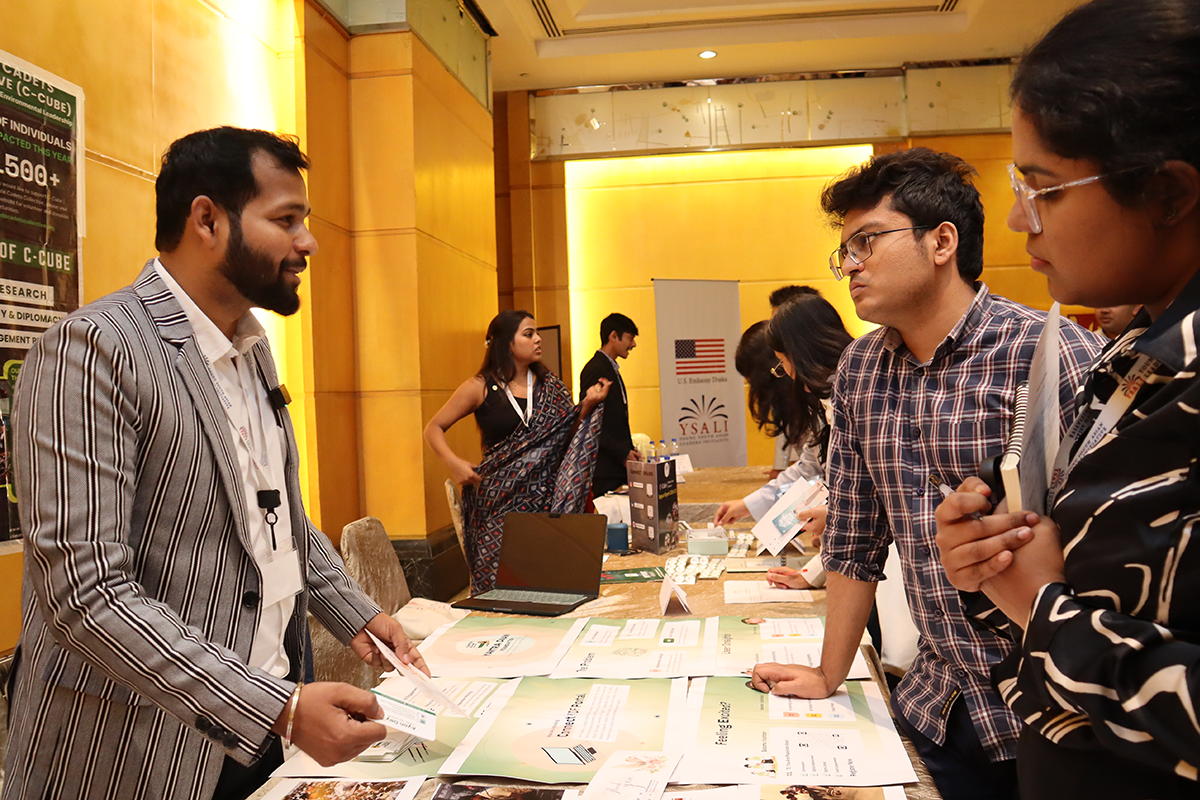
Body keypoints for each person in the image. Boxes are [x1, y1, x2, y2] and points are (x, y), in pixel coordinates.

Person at [2, 127, 428, 800]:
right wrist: (277, 707)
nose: (308, 242)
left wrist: (357, 612)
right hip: (134, 758)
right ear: (207, 219)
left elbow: (276, 521)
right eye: (286, 220)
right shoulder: (93, 352)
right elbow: (86, 596)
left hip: (258, 736)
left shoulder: (252, 352)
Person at [749, 147, 1104, 800]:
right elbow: (854, 537)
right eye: (843, 252)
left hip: (1046, 711)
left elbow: (1106, 551)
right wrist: (829, 675)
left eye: (867, 242)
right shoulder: (861, 369)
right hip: (933, 701)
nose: (850, 266)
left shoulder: (1050, 353)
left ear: (942, 242)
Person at [934, 1, 1200, 797]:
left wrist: (1044, 607)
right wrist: (988, 559)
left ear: (1167, 191)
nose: (1019, 221)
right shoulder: (1131, 359)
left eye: (1042, 188)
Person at [425, 309, 610, 592]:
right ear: (506, 343)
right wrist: (452, 462)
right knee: (499, 583)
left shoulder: (551, 387)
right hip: (498, 502)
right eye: (528, 334)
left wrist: (588, 404)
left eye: (537, 333)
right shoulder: (479, 387)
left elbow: (565, 434)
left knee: (548, 581)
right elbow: (433, 428)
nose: (538, 339)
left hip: (547, 502)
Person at [713, 295, 854, 590]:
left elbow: (866, 502)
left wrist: (831, 521)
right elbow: (815, 471)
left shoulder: (853, 398)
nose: (787, 373)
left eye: (783, 364)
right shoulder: (828, 399)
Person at [578, 312, 640, 497]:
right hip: (605, 469)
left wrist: (628, 449)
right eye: (630, 338)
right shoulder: (596, 369)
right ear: (613, 336)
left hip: (616, 466)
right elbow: (591, 423)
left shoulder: (610, 367)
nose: (634, 344)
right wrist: (622, 452)